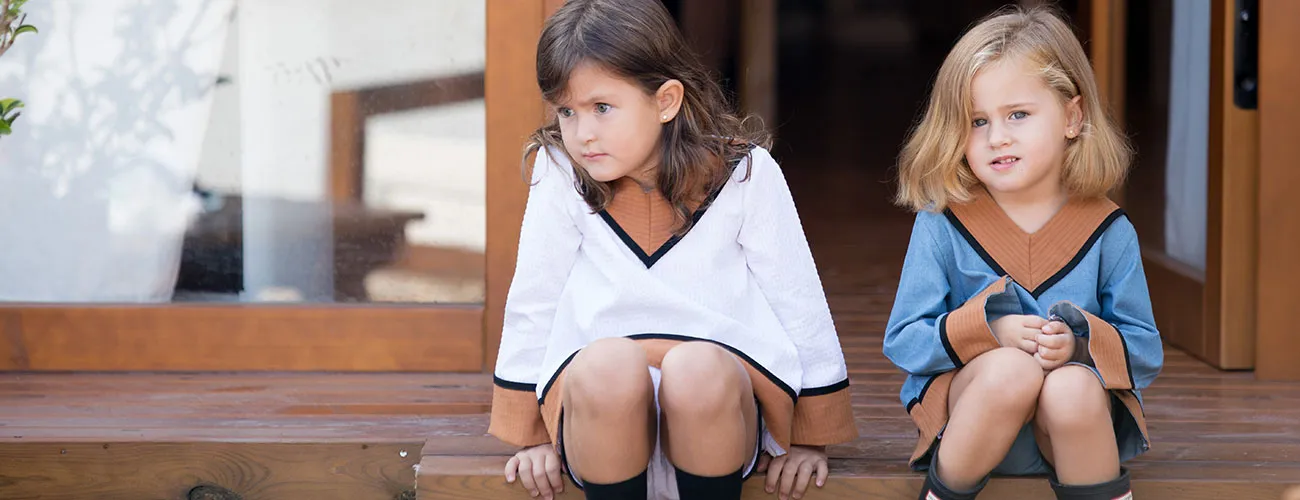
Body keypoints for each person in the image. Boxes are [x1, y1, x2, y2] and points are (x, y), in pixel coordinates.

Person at [488, 1, 858, 499]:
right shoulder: (560, 172)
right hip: (597, 416)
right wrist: (529, 433)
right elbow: (535, 299)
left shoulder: (745, 172)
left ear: (666, 101)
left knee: (696, 367)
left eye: (602, 107)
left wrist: (812, 435)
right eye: (567, 112)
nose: (583, 133)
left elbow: (797, 298)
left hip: (720, 410)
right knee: (606, 366)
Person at [884, 6, 1163, 500]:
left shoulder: (1108, 228)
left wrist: (1079, 345)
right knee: (1011, 370)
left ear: (1072, 117)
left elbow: (1144, 351)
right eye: (976, 120)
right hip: (970, 426)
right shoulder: (941, 223)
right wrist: (988, 333)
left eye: (1018, 114)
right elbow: (905, 340)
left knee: (1071, 386)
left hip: (1075, 434)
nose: (998, 137)